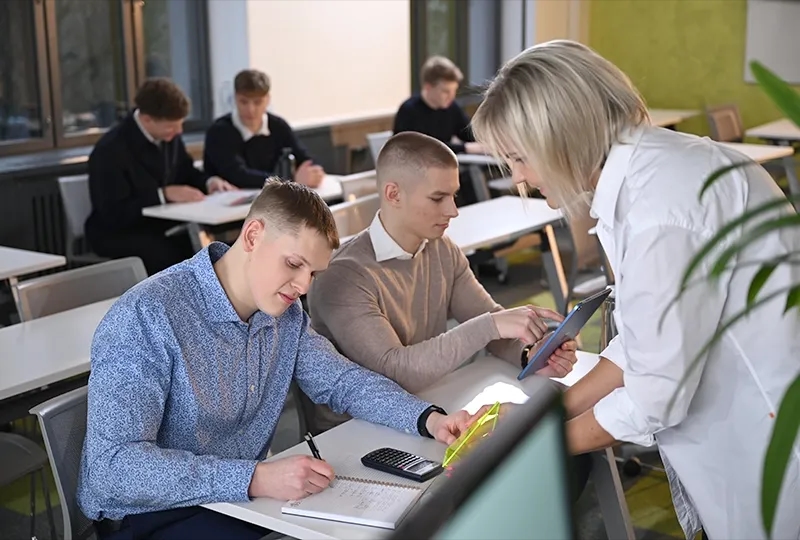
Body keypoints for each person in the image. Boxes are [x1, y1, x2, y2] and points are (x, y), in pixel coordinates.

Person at [471, 39, 800, 539]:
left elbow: (654, 395)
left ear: (563, 135)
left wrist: (534, 446)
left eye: (519, 158)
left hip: (767, 438)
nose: (520, 178)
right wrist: (544, 417)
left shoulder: (657, 211)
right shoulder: (663, 166)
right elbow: (643, 345)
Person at [78, 180, 481, 539]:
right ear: (253, 235)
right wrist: (254, 478)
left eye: (313, 273)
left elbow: (342, 381)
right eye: (293, 264)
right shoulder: (147, 314)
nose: (303, 285)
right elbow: (113, 467)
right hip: (152, 516)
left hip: (238, 503)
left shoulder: (284, 315)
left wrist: (429, 419)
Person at [307, 131, 577, 432]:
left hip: (431, 408)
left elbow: (492, 327)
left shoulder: (441, 248)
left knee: (535, 428)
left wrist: (530, 355)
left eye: (453, 196)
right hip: (355, 433)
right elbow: (395, 372)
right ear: (393, 194)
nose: (453, 211)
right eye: (438, 198)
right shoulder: (342, 275)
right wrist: (490, 324)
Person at [85, 78, 236, 275]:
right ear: (147, 119)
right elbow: (113, 211)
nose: (178, 131)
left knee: (213, 246)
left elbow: (186, 171)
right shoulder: (110, 150)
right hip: (118, 232)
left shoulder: (169, 137)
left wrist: (209, 181)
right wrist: (162, 194)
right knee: (171, 253)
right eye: (171, 126)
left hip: (161, 224)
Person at [203, 69, 325, 189]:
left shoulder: (277, 125)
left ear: (267, 99)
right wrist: (291, 180)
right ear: (235, 98)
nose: (250, 109)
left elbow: (305, 157)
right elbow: (238, 175)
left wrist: (313, 171)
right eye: (243, 102)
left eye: (257, 102)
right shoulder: (219, 131)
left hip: (272, 196)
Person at [393, 56, 482, 207]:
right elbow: (424, 149)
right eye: (445, 91)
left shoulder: (451, 107)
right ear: (428, 87)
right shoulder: (409, 112)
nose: (451, 96)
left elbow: (469, 133)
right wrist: (466, 148)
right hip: (417, 179)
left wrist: (487, 142)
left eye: (453, 91)